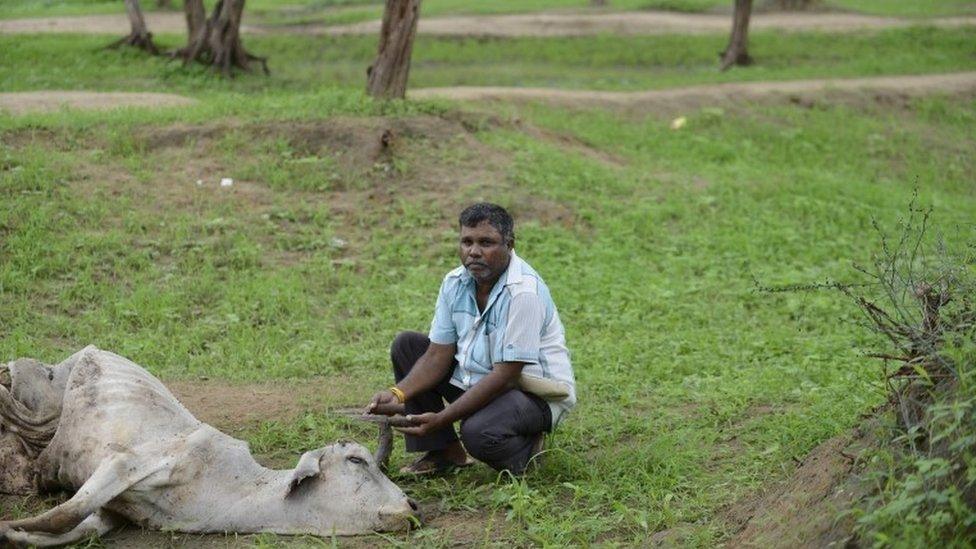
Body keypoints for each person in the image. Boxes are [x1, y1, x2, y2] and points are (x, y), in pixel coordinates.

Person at [367, 203, 577, 475]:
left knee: (478, 432)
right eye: (467, 242)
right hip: (484, 380)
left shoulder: (524, 293)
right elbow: (436, 355)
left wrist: (442, 418)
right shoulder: (455, 282)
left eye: (486, 242)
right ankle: (444, 452)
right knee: (408, 346)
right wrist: (397, 393)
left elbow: (507, 376)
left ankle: (528, 452)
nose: (474, 251)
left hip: (534, 394)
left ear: (509, 244)